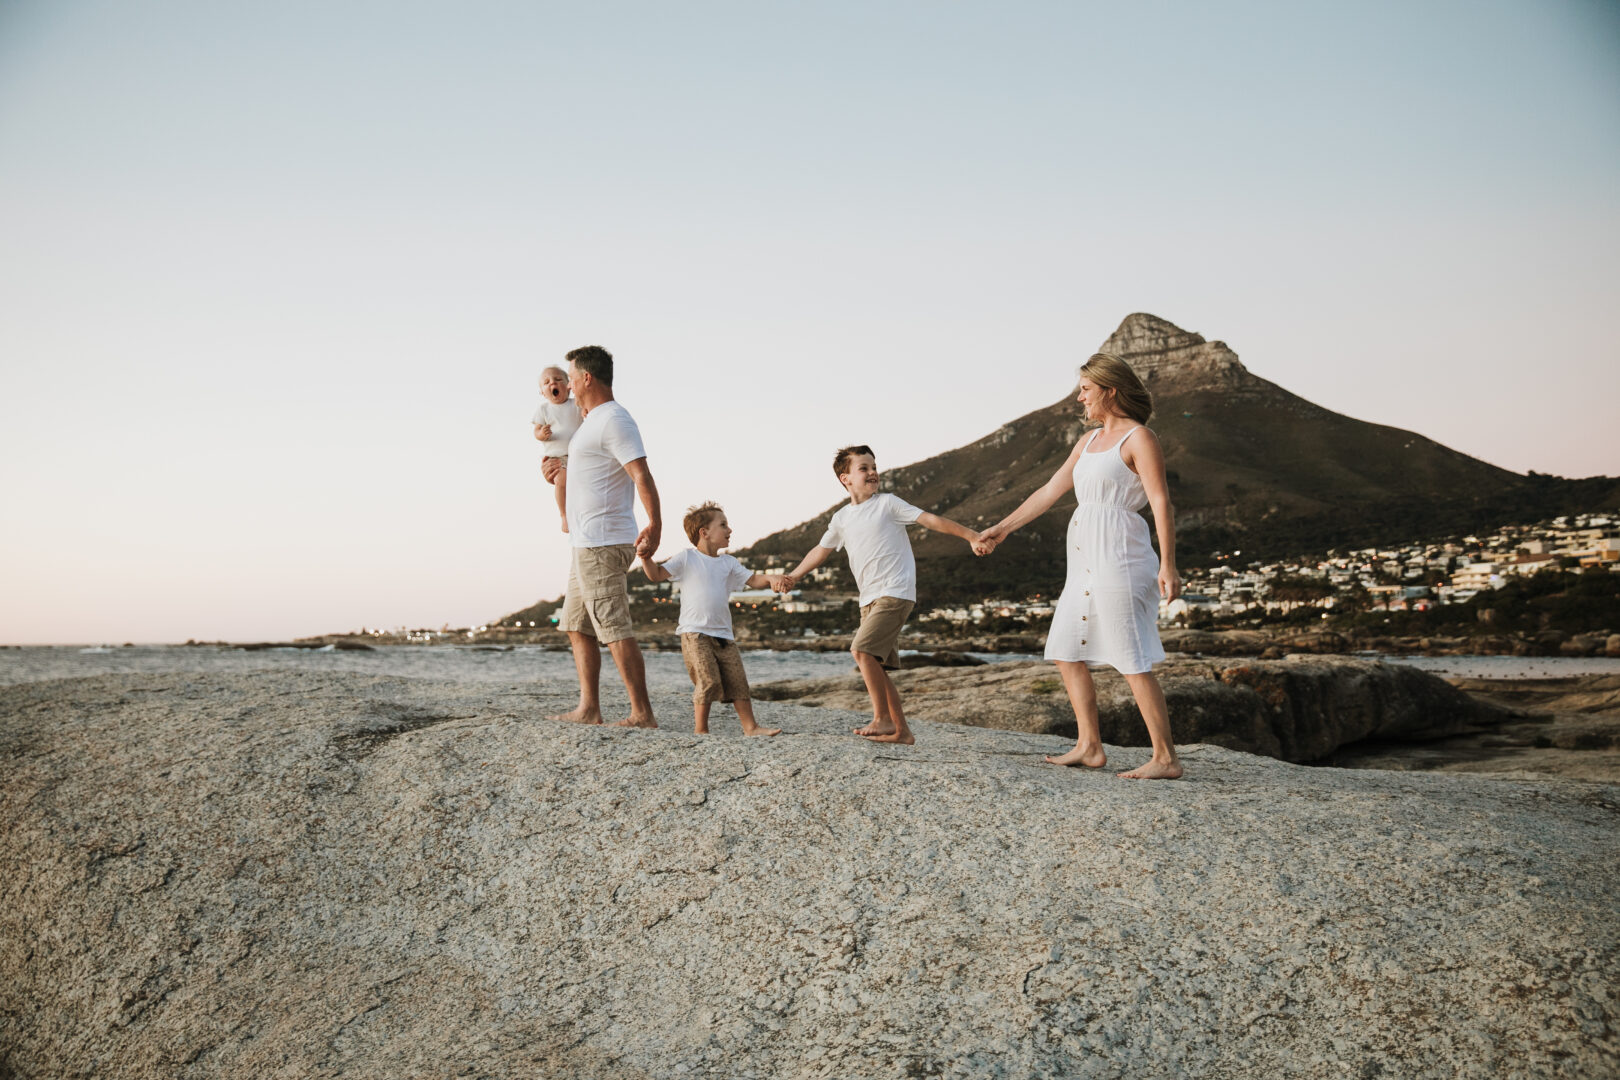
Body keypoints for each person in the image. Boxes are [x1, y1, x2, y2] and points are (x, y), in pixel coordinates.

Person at [974, 353, 1184, 779]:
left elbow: (1161, 503)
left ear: (1109, 390)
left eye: (1086, 389)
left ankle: (1166, 758)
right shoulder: (1086, 442)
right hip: (1084, 562)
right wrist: (1003, 527)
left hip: (1122, 558)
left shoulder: (1140, 438)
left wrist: (1169, 565)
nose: (1079, 397)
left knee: (1131, 657)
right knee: (1067, 650)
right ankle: (1089, 746)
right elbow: (1050, 490)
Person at [775, 446, 983, 745]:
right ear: (845, 478)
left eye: (874, 466)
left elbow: (931, 520)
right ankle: (902, 731)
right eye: (864, 468)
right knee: (876, 665)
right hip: (868, 599)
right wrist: (794, 575)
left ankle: (882, 718)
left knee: (860, 651)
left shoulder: (888, 504)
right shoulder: (842, 518)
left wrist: (971, 536)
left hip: (895, 592)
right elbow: (821, 550)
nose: (873, 472)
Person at [543, 345, 662, 729]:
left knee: (612, 626)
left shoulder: (615, 420)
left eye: (572, 376)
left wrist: (655, 525)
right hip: (583, 541)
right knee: (577, 625)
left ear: (586, 378)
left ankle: (641, 713)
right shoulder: (589, 422)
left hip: (604, 540)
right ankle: (589, 708)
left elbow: (640, 474)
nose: (569, 383)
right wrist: (555, 471)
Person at [640, 502, 789, 737]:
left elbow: (753, 580)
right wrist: (645, 557)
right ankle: (701, 730)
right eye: (723, 525)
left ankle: (750, 727)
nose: (729, 530)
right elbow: (656, 575)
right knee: (707, 680)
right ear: (704, 532)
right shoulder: (687, 558)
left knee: (738, 681)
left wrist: (771, 578)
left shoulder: (728, 563)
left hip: (723, 634)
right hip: (694, 633)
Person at [532, 365, 584, 533]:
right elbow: (536, 430)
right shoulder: (544, 409)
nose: (552, 383)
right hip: (557, 457)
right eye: (546, 382)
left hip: (577, 456)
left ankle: (576, 511)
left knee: (577, 484)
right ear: (542, 392)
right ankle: (564, 515)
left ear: (568, 385)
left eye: (558, 380)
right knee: (561, 480)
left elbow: (585, 415)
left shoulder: (575, 404)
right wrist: (542, 434)